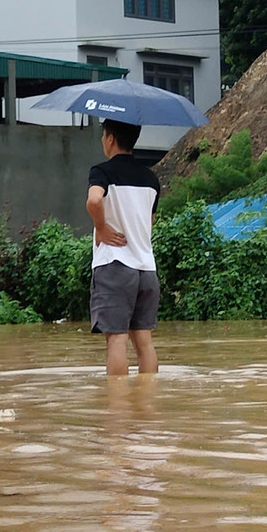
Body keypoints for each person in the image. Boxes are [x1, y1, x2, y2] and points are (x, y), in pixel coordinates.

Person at [86, 118, 160, 376]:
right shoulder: (151, 179)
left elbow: (94, 200)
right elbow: (149, 222)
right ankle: (146, 405)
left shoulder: (102, 171)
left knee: (116, 340)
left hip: (116, 266)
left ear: (110, 139)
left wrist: (102, 227)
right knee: (144, 342)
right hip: (146, 270)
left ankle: (117, 412)